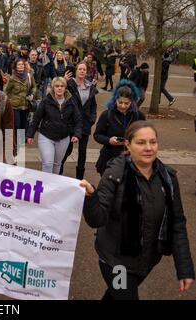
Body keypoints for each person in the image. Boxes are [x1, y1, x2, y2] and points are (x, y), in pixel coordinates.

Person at [80, 121, 194, 300]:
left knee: (115, 296)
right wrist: (91, 198)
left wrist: (185, 268)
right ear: (128, 144)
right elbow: (97, 219)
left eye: (153, 142)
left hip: (147, 260)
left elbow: (177, 223)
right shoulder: (115, 173)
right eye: (141, 143)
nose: (148, 148)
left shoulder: (168, 178)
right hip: (116, 262)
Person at [27, 77, 82, 174]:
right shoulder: (46, 101)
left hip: (63, 138)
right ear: (53, 88)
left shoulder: (71, 102)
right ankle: (46, 187)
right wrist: (30, 134)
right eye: (57, 86)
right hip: (46, 136)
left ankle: (53, 187)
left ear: (65, 88)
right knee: (48, 163)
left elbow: (78, 119)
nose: (59, 88)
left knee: (57, 164)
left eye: (62, 86)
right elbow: (36, 118)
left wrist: (77, 134)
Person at [94, 80, 146, 176]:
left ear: (132, 102)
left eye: (127, 103)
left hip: (132, 159)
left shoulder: (139, 116)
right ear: (115, 100)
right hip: (110, 159)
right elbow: (97, 135)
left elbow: (145, 136)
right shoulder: (107, 115)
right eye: (120, 102)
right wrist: (109, 140)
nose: (123, 106)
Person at [61, 62, 98, 179]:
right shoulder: (70, 84)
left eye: (84, 69)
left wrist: (92, 119)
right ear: (76, 71)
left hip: (85, 124)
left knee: (82, 153)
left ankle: (79, 180)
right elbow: (57, 91)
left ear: (86, 72)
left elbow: (93, 105)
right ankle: (58, 172)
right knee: (67, 149)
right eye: (80, 69)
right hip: (71, 123)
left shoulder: (90, 86)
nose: (82, 71)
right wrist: (64, 80)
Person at [4, 58, 37, 151]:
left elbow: (34, 87)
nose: (21, 66)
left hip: (25, 105)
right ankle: (15, 144)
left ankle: (20, 144)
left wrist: (32, 94)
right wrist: (8, 101)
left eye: (22, 64)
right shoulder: (12, 78)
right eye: (19, 64)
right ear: (15, 67)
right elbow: (6, 91)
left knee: (24, 125)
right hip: (15, 106)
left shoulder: (29, 76)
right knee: (17, 125)